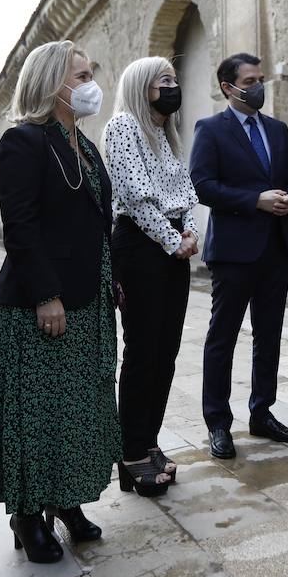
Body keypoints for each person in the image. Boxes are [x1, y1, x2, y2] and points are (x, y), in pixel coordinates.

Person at [0, 40, 128, 562]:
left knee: (79, 408)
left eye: (91, 72)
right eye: (81, 75)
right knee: (38, 413)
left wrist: (111, 275)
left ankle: (67, 501)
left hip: (89, 299)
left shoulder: (84, 147)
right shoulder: (22, 142)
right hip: (39, 304)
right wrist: (47, 294)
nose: (91, 83)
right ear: (52, 84)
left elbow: (94, 222)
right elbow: (20, 228)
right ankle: (27, 516)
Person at [190, 52, 288, 459]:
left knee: (269, 335)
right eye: (250, 80)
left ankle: (263, 411)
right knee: (222, 338)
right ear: (228, 87)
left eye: (261, 79)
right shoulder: (211, 129)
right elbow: (202, 185)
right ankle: (218, 423)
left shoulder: (276, 129)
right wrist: (254, 200)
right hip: (234, 253)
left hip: (275, 248)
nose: (258, 86)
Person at [103, 56, 199, 487]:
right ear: (142, 86)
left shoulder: (166, 135)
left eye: (175, 79)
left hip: (173, 243)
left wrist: (190, 233)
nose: (173, 85)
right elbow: (136, 197)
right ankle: (131, 453)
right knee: (142, 351)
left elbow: (185, 194)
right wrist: (172, 239)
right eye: (165, 80)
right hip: (140, 245)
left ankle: (150, 441)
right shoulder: (123, 127)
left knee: (167, 350)